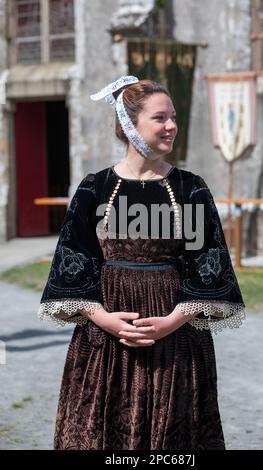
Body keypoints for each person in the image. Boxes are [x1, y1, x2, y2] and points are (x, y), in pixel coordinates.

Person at [38, 76, 245, 450]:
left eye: (174, 117)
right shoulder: (94, 188)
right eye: (160, 118)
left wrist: (170, 323)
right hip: (107, 338)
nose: (171, 126)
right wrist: (104, 319)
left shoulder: (189, 188)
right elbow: (73, 263)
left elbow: (207, 264)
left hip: (176, 335)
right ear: (130, 125)